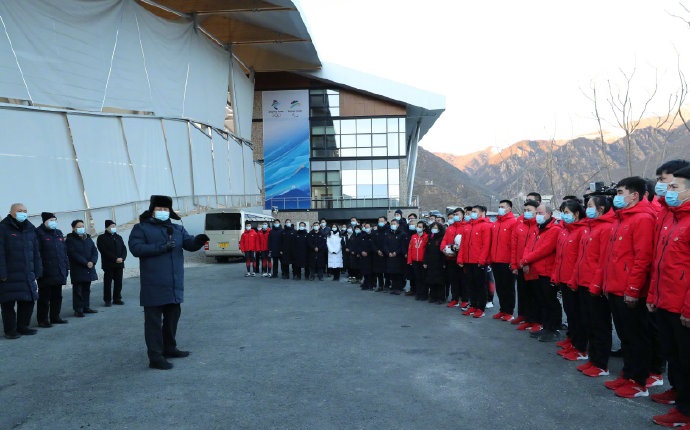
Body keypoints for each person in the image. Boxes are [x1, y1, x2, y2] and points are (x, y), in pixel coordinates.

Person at [127, 195, 209, 370]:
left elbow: (189, 244)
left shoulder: (177, 229)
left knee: (172, 318)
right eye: (159, 209)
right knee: (153, 323)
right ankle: (155, 356)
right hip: (153, 284)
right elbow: (136, 248)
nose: (163, 212)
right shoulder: (141, 228)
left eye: (166, 209)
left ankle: (170, 347)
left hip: (173, 284)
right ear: (152, 210)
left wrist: (199, 240)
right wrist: (161, 247)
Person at [601, 176, 656, 398]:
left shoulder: (643, 219)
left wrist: (633, 290)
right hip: (615, 287)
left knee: (636, 337)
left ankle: (639, 381)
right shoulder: (621, 219)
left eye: (621, 192)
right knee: (625, 336)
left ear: (634, 195)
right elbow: (613, 257)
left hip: (629, 290)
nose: (617, 197)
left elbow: (642, 259)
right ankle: (628, 373)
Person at [647, 166, 690, 427]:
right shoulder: (673, 219)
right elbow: (661, 263)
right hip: (666, 301)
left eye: (674, 187)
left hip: (682, 306)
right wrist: (653, 295)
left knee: (687, 360)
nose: (667, 191)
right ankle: (682, 404)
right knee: (675, 357)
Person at [573, 195, 614, 377]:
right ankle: (593, 359)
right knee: (588, 322)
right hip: (583, 282)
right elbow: (581, 258)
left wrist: (595, 285)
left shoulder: (605, 228)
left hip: (594, 285)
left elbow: (603, 261)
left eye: (590, 206)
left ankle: (601, 363)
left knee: (600, 325)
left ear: (601, 209)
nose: (586, 208)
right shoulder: (589, 228)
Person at [552, 199, 588, 358]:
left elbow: (580, 259)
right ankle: (572, 339)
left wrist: (573, 279)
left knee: (577, 315)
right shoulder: (565, 230)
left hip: (574, 280)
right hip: (563, 279)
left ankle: (580, 345)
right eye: (562, 212)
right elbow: (559, 257)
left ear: (576, 213)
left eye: (566, 213)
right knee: (570, 313)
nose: (563, 216)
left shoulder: (582, 230)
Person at [520, 204, 561, 341]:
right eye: (536, 213)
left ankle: (553, 328)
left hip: (547, 271)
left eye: (540, 213)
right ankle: (546, 326)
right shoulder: (537, 228)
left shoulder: (554, 229)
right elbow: (528, 246)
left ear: (549, 214)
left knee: (550, 301)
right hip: (536, 270)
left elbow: (544, 250)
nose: (537, 215)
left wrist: (526, 260)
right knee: (541, 300)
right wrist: (525, 261)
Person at [0, 203, 41, 339]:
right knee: (8, 303)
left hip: (27, 273)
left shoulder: (30, 228)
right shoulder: (3, 228)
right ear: (11, 212)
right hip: (9, 274)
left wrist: (38, 270)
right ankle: (10, 330)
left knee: (28, 300)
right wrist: (2, 273)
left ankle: (23, 326)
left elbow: (36, 252)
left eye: (25, 210)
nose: (23, 213)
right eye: (19, 211)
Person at [35, 212, 69, 327]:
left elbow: (64, 252)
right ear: (44, 221)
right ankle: (42, 319)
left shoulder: (58, 233)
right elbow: (37, 254)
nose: (53, 222)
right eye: (51, 220)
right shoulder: (38, 233)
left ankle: (55, 316)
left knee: (57, 296)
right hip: (45, 271)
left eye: (55, 219)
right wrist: (39, 270)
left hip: (58, 270)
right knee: (44, 297)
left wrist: (66, 267)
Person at [458, 205, 492, 318]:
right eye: (471, 211)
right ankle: (473, 305)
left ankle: (480, 308)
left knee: (480, 285)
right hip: (468, 261)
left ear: (482, 213)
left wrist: (482, 260)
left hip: (478, 262)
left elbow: (486, 245)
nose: (472, 213)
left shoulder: (485, 226)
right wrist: (460, 258)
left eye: (475, 211)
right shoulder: (467, 227)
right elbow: (463, 244)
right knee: (470, 285)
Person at [511, 200, 540, 329]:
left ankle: (535, 320)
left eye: (530, 210)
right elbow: (514, 247)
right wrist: (514, 265)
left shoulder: (539, 226)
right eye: (525, 210)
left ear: (536, 211)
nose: (526, 213)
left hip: (533, 266)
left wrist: (527, 261)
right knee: (523, 293)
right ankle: (525, 317)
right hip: (520, 265)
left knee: (534, 294)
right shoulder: (520, 225)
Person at [490, 200, 517, 321]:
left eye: (503, 207)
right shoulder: (495, 224)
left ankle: (509, 311)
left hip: (506, 261)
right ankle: (502, 309)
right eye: (499, 206)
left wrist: (513, 261)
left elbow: (513, 244)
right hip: (495, 260)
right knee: (500, 287)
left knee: (508, 287)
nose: (500, 208)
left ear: (509, 209)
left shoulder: (513, 223)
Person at [66, 219, 99, 317]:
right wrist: (86, 262)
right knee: (78, 290)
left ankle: (86, 307)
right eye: (78, 227)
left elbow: (94, 250)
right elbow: (73, 254)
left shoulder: (87, 238)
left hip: (89, 267)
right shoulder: (70, 239)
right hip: (78, 268)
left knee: (86, 289)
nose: (81, 228)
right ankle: (78, 309)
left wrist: (92, 261)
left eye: (82, 226)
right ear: (73, 228)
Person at [97, 220, 127, 306]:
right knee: (108, 283)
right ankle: (107, 300)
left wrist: (122, 258)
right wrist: (115, 258)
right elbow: (104, 251)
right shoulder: (101, 238)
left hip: (119, 263)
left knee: (118, 282)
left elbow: (124, 249)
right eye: (111, 226)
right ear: (106, 227)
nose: (113, 228)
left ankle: (117, 298)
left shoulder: (118, 237)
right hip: (108, 264)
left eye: (114, 226)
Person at [441, 207, 466, 308]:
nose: (456, 216)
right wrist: (444, 250)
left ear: (463, 215)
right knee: (453, 280)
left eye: (458, 214)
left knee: (463, 280)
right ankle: (454, 299)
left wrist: (457, 251)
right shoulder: (450, 228)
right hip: (450, 258)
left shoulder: (466, 227)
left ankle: (464, 299)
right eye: (455, 214)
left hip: (461, 258)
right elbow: (444, 240)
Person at [384, 218, 408, 295]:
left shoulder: (402, 234)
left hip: (398, 257)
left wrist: (396, 252)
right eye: (392, 224)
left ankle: (399, 287)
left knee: (398, 273)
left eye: (394, 224)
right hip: (390, 256)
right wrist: (388, 253)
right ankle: (394, 287)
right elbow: (385, 245)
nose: (393, 225)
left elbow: (402, 246)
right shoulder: (387, 234)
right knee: (392, 272)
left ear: (398, 225)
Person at [424, 222, 446, 304]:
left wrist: (444, 263)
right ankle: (433, 296)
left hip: (439, 262)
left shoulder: (442, 238)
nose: (434, 229)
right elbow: (427, 251)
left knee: (439, 281)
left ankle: (441, 297)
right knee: (431, 280)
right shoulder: (430, 237)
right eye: (433, 227)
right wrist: (425, 262)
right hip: (430, 262)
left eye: (436, 227)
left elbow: (443, 251)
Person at [408, 221, 428, 300]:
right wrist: (409, 260)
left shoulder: (426, 236)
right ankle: (418, 293)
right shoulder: (413, 236)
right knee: (417, 278)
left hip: (422, 261)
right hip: (414, 260)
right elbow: (410, 248)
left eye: (420, 226)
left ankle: (424, 294)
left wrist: (426, 261)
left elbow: (427, 250)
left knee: (423, 278)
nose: (418, 228)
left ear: (423, 228)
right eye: (417, 226)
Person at [372, 216, 389, 292]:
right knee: (379, 271)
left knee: (387, 271)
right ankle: (380, 285)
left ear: (385, 222)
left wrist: (384, 251)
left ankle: (387, 285)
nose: (380, 223)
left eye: (382, 221)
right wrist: (377, 250)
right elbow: (373, 243)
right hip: (377, 254)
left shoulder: (389, 231)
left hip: (386, 254)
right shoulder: (375, 232)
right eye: (379, 221)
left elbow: (389, 243)